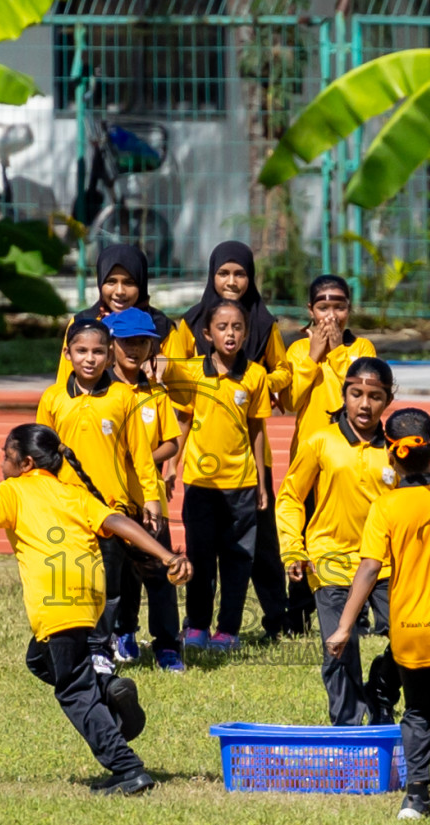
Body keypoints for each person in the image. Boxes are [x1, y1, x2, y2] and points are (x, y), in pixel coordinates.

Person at [0, 424, 192, 795]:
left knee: (72, 691)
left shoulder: (13, 490)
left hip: (56, 601)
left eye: (6, 456)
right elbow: (119, 522)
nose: (2, 463)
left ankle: (127, 768)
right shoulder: (74, 493)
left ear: (26, 463)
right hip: (91, 599)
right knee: (39, 659)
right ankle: (108, 688)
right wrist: (167, 554)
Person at [326, 409, 430, 819]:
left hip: (410, 632)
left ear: (391, 454)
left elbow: (368, 569)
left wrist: (344, 627)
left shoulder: (386, 507)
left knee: (418, 713)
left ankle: (416, 799)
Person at [173, 241, 294, 638]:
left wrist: (261, 381)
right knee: (202, 551)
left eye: (239, 274)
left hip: (249, 466)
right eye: (223, 273)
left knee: (258, 551)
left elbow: (283, 371)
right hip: (202, 465)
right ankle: (198, 624)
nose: (231, 281)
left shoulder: (265, 324)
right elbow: (177, 382)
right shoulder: (190, 323)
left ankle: (276, 619)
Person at [37, 318, 162, 676]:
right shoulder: (53, 398)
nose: (89, 359)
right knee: (69, 581)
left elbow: (139, 453)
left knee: (108, 586)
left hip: (111, 509)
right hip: (65, 509)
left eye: (97, 352)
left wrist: (151, 499)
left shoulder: (123, 397)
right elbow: (40, 456)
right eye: (81, 351)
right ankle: (64, 645)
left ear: (109, 356)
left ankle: (99, 649)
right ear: (68, 354)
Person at [278, 357, 397, 726]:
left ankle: (382, 687)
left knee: (412, 638)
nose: (365, 404)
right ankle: (347, 728)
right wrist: (292, 548)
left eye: (375, 396)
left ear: (388, 399)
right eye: (356, 394)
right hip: (329, 558)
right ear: (344, 395)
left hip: (386, 562)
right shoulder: (320, 441)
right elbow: (290, 497)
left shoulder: (396, 448)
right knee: (338, 647)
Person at [164, 299, 270, 653]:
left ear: (246, 333)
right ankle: (196, 625)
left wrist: (261, 480)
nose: (230, 334)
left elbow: (256, 428)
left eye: (237, 327)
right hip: (201, 484)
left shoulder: (255, 375)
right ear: (208, 334)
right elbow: (182, 421)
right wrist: (172, 466)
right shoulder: (193, 372)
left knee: (238, 559)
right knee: (200, 557)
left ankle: (228, 630)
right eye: (222, 327)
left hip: (241, 483)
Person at [103, 308, 185, 673]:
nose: (133, 349)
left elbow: (172, 442)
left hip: (150, 498)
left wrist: (142, 458)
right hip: (111, 501)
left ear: (152, 346)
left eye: (141, 342)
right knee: (117, 575)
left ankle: (167, 645)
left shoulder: (156, 394)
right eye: (126, 342)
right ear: (112, 346)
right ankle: (122, 633)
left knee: (159, 573)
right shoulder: (101, 393)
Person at [281, 275, 378, 460]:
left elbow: (365, 394)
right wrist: (312, 357)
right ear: (311, 310)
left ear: (349, 309)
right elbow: (291, 402)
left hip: (349, 452)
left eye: (340, 308)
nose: (331, 316)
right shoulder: (298, 350)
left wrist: (337, 352)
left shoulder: (362, 348)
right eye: (323, 308)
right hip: (308, 450)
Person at [57, 244, 174, 385]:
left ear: (141, 283)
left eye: (129, 282)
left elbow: (185, 392)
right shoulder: (82, 323)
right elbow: (64, 385)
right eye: (111, 281)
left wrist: (169, 367)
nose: (119, 291)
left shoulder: (162, 327)